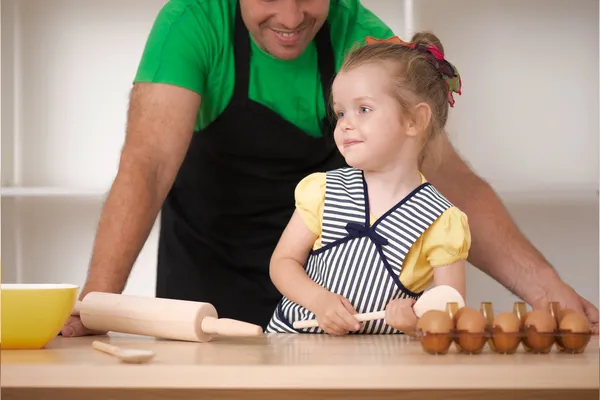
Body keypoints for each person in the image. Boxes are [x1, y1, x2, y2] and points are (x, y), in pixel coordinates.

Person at [60, 0, 597, 337]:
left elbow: (446, 180)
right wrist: (97, 305)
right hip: (204, 291)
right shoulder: (192, 24)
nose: (292, 18)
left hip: (344, 324)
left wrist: (547, 289)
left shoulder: (362, 38)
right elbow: (148, 166)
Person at [266, 33, 469, 335]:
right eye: (340, 112)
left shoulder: (441, 221)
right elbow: (282, 263)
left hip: (376, 363)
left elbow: (451, 313)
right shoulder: (324, 190)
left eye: (363, 109)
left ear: (414, 119)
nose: (345, 123)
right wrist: (319, 300)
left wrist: (415, 323)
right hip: (295, 347)